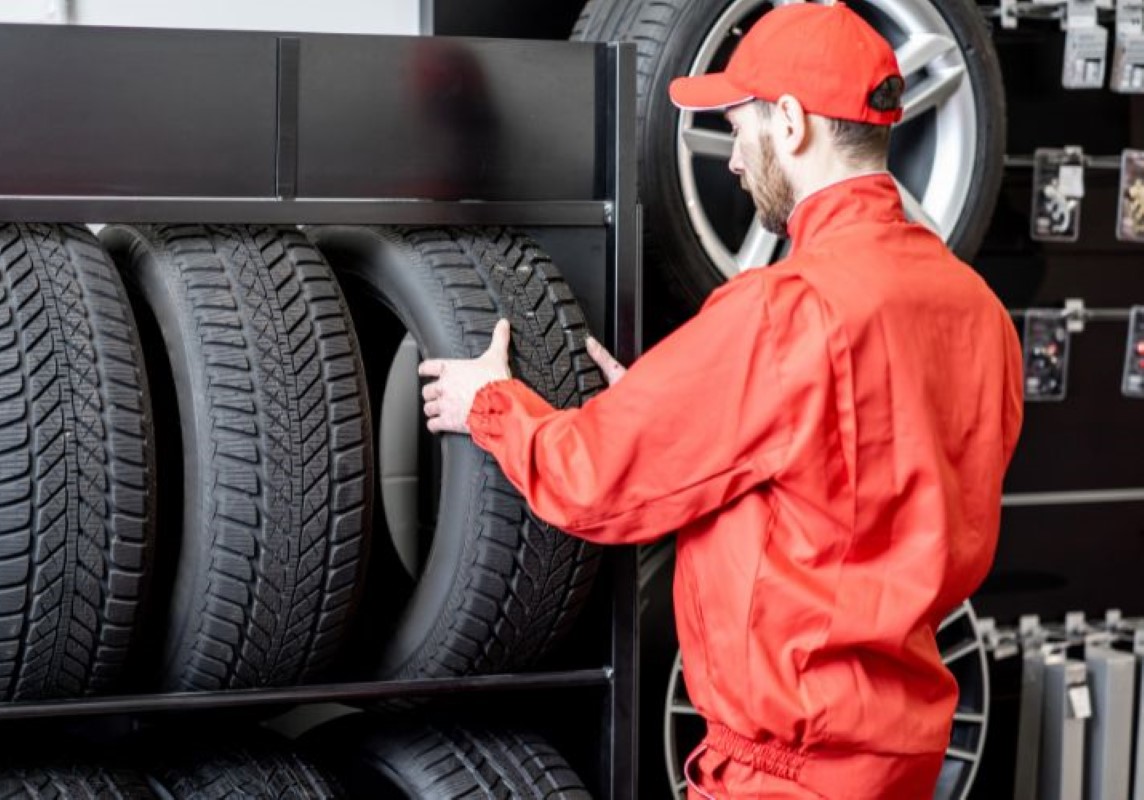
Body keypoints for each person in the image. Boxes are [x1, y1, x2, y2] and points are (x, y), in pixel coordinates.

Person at [417, 2, 1024, 798]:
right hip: (900, 763)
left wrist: (491, 402)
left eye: (740, 128)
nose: (734, 159)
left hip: (786, 775)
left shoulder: (783, 310)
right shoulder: (979, 311)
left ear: (793, 123)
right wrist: (680, 417)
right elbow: (857, 494)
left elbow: (591, 478)